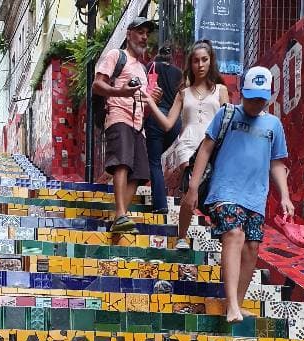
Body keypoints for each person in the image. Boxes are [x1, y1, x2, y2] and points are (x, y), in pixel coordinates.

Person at [183, 66, 293, 323]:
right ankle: (231, 303)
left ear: (268, 97)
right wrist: (193, 187)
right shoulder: (227, 114)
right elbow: (206, 149)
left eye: (260, 99)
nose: (255, 103)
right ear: (242, 92)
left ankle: (237, 303)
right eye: (251, 97)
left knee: (252, 247)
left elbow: (276, 163)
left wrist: (285, 196)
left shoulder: (273, 125)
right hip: (225, 191)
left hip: (256, 196)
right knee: (234, 234)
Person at [144, 40, 228, 247]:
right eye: (196, 61)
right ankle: (182, 237)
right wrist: (151, 103)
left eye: (204, 60)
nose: (200, 65)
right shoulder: (183, 93)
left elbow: (228, 120)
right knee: (192, 184)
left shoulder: (221, 90)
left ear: (211, 62)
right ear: (190, 64)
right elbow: (167, 124)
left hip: (213, 144)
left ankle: (199, 231)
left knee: (205, 190)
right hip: (188, 145)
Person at [93, 17, 163, 233]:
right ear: (128, 34)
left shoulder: (142, 69)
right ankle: (122, 214)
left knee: (141, 171)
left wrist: (153, 101)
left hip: (137, 124)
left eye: (146, 34)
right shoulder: (117, 55)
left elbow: (140, 103)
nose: (144, 37)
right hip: (118, 115)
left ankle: (119, 218)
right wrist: (120, 92)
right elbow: (97, 85)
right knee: (122, 163)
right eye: (140, 32)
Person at [144, 43, 182, 215]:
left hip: (156, 116)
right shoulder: (179, 73)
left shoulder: (151, 67)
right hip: (175, 121)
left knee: (154, 162)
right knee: (156, 158)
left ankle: (160, 204)